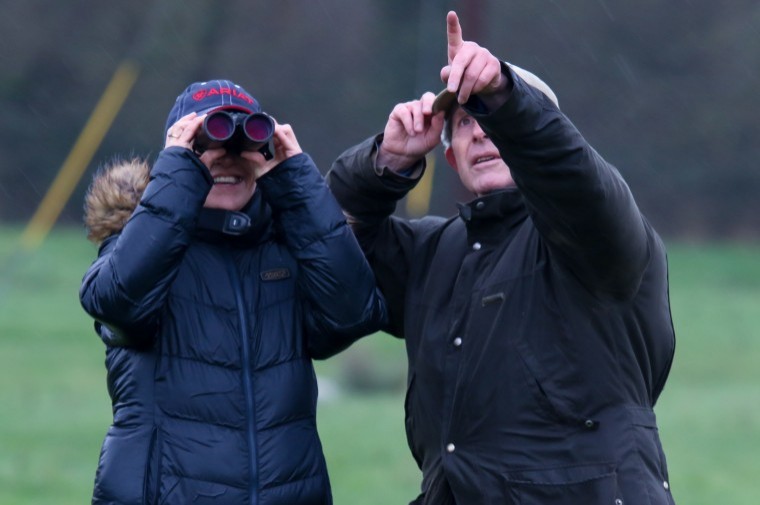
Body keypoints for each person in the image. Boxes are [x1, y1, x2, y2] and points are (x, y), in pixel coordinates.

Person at [327, 11, 677, 505]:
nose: (481, 132)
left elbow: (571, 177)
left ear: (541, 134)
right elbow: (329, 254)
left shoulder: (594, 231)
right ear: (451, 160)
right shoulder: (433, 254)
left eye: (494, 117)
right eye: (465, 123)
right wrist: (383, 162)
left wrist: (505, 100)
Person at [79, 79, 386, 505]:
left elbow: (354, 312)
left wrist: (294, 181)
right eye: (208, 142)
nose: (227, 158)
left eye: (244, 143)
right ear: (179, 154)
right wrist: (180, 176)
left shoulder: (286, 247)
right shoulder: (139, 245)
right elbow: (115, 302)